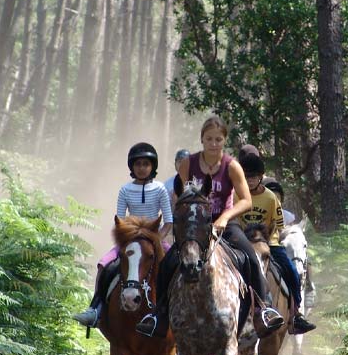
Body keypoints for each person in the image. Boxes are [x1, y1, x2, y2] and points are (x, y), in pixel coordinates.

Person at [135, 116, 284, 339]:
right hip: (195, 224)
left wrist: (225, 217)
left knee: (251, 257)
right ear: (202, 139)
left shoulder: (232, 166)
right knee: (168, 262)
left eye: (218, 139)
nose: (213, 143)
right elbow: (182, 194)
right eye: (209, 139)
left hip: (225, 222)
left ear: (224, 140)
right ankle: (159, 314)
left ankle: (263, 310)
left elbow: (246, 201)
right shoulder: (189, 163)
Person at [73, 142, 173, 328]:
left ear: (153, 166)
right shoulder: (125, 190)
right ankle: (96, 309)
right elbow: (119, 220)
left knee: (177, 266)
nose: (142, 168)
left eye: (146, 164)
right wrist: (127, 237)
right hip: (131, 239)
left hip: (155, 239)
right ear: (132, 167)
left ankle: (178, 313)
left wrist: (157, 239)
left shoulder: (160, 189)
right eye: (138, 164)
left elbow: (168, 221)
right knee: (105, 264)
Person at [237, 153, 315, 334]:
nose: (249, 181)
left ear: (260, 177)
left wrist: (267, 236)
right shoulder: (236, 195)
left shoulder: (270, 198)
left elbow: (279, 226)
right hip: (242, 242)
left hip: (269, 243)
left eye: (253, 177)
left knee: (292, 272)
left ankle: (296, 315)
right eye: (246, 177)